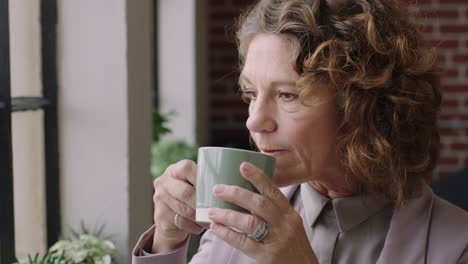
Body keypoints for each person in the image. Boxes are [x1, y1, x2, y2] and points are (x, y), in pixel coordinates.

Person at [133, 0, 468, 263]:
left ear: (362, 106)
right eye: (251, 94)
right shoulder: (241, 213)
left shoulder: (455, 246)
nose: (254, 121)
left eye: (287, 95)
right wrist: (166, 241)